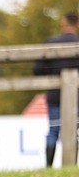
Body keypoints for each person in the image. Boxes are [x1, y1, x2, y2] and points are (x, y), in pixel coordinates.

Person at [33, 11, 79, 168]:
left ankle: (48, 167)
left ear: (63, 24)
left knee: (53, 130)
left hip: (54, 96)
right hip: (77, 97)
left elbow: (38, 69)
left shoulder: (51, 43)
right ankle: (71, 166)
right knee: (74, 132)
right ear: (77, 25)